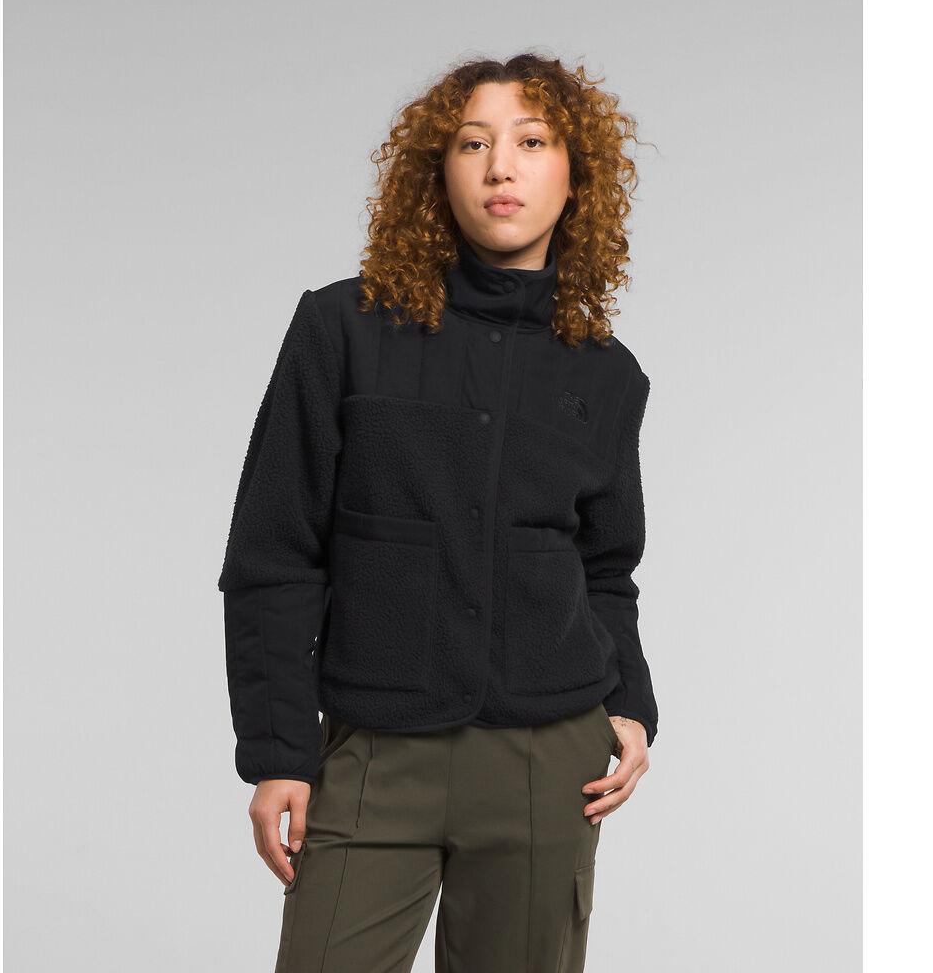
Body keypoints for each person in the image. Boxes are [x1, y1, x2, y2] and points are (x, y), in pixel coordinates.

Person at [217, 52, 659, 973]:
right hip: (376, 755)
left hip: (550, 763)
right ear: (436, 172)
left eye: (532, 142)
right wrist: (278, 750)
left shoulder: (607, 374)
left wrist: (630, 704)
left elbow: (605, 567)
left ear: (575, 176)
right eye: (472, 143)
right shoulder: (341, 328)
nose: (501, 167)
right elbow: (274, 552)